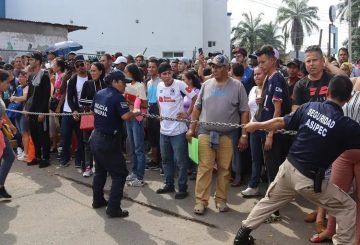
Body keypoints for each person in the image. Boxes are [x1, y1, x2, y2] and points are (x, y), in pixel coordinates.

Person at [234, 75, 360, 245]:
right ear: (349, 98)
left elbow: (280, 121)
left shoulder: (309, 107)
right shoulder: (347, 126)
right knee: (348, 207)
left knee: (269, 201)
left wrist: (256, 125)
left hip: (288, 169)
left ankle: (241, 236)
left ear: (327, 92)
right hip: (308, 180)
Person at [187, 55, 249, 214]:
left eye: (218, 67)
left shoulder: (238, 86)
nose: (214, 69)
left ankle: (221, 200)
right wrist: (191, 129)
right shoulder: (206, 84)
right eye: (213, 66)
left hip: (228, 135)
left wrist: (244, 135)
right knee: (204, 167)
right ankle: (201, 201)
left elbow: (244, 112)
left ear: (227, 68)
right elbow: (197, 108)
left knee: (224, 169)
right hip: (205, 132)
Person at [90, 70, 140, 218]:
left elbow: (94, 111)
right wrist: (136, 112)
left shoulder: (100, 93)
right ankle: (113, 208)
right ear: (114, 82)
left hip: (96, 137)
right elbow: (125, 116)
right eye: (123, 82)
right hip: (108, 141)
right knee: (120, 174)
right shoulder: (118, 98)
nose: (125, 85)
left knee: (100, 171)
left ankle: (97, 200)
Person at [253, 45, 292, 222]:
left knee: (273, 172)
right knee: (272, 170)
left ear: (272, 60)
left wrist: (270, 134)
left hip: (273, 134)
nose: (259, 65)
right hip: (266, 130)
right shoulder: (269, 78)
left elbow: (277, 111)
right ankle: (273, 206)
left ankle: (274, 210)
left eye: (263, 61)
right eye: (258, 61)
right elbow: (272, 103)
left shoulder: (277, 79)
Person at [156, 62, 197, 199]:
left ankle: (183, 188)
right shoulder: (159, 86)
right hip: (164, 130)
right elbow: (159, 101)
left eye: (169, 73)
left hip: (178, 130)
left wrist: (187, 113)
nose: (167, 76)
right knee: (166, 160)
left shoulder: (179, 84)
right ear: (160, 75)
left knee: (181, 161)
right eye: (164, 74)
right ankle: (169, 185)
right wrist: (161, 113)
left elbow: (195, 97)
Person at [60, 54, 89, 168]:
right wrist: (74, 110)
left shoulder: (91, 77)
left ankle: (79, 160)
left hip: (84, 112)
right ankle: (65, 159)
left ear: (85, 64)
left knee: (81, 138)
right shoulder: (72, 79)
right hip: (70, 111)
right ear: (75, 68)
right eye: (77, 66)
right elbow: (69, 97)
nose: (80, 67)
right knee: (65, 136)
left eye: (82, 64)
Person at [241, 66, 266, 197]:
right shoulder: (251, 89)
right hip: (253, 129)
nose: (256, 77)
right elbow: (247, 108)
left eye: (259, 74)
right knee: (255, 159)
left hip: (267, 129)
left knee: (269, 161)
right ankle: (253, 185)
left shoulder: (270, 89)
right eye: (255, 74)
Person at [79, 62, 106, 177]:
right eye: (91, 70)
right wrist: (93, 105)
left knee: (102, 143)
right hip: (89, 117)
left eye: (95, 70)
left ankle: (101, 166)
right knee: (87, 143)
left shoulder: (106, 84)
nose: (92, 73)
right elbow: (81, 101)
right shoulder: (87, 84)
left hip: (103, 118)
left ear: (100, 71)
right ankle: (88, 166)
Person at [123, 63, 148, 187]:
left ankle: (140, 176)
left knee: (139, 148)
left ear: (132, 73)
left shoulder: (140, 85)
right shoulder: (126, 85)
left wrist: (131, 101)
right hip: (129, 116)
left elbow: (145, 104)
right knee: (131, 146)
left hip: (137, 118)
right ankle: (134, 171)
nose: (125, 73)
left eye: (126, 71)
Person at [26, 52, 51, 168]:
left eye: (31, 59)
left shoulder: (45, 76)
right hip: (31, 111)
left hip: (41, 111)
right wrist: (27, 108)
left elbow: (46, 96)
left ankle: (45, 158)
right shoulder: (31, 76)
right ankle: (37, 156)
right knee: (34, 134)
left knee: (43, 134)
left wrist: (42, 112)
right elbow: (29, 94)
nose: (29, 61)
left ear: (37, 61)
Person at [0, 69, 17, 199]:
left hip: (2, 131)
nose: (8, 85)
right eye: (6, 82)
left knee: (9, 157)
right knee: (9, 157)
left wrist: (10, 124)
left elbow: (2, 112)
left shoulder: (0, 94)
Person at [8, 70, 29, 162]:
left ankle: (26, 152)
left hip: (23, 112)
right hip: (16, 112)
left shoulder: (27, 87)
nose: (20, 78)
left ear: (26, 77)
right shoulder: (18, 87)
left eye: (22, 76)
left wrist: (15, 98)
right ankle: (24, 151)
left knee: (25, 133)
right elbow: (11, 98)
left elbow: (24, 98)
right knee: (21, 132)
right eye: (19, 76)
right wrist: (13, 98)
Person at [146, 58, 162, 171]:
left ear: (157, 68)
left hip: (159, 109)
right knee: (152, 137)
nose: (151, 69)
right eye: (149, 67)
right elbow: (148, 99)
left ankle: (162, 162)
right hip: (150, 109)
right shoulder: (148, 82)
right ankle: (154, 160)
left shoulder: (161, 81)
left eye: (153, 67)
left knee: (160, 136)